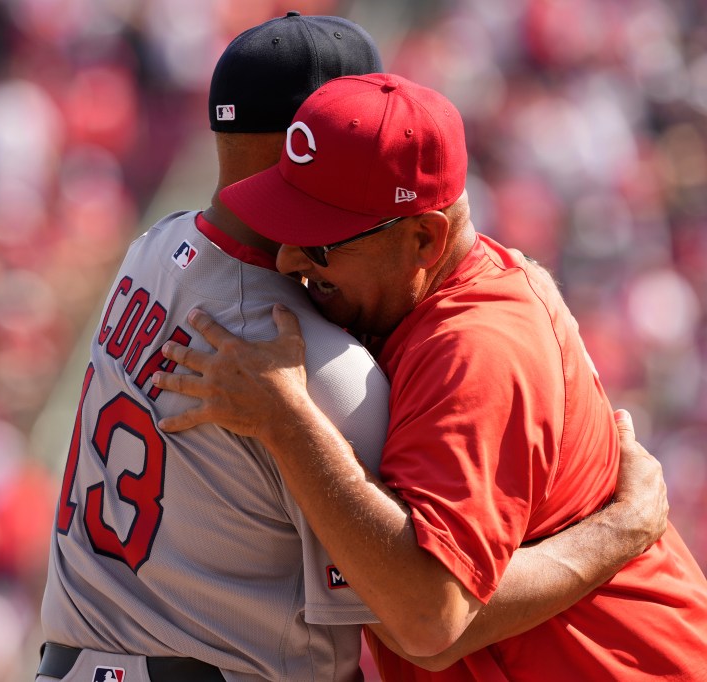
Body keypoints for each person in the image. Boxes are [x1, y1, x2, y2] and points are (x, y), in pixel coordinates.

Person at [39, 15, 667, 682]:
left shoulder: (153, 249)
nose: (294, 254)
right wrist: (620, 533)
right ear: (315, 141)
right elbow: (424, 617)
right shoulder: (316, 366)